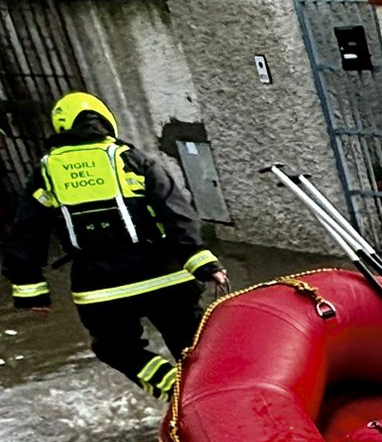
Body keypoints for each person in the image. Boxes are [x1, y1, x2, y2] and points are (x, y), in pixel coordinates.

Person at [4, 91, 228, 398]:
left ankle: (171, 386)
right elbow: (175, 211)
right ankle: (213, 401)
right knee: (192, 346)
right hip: (165, 276)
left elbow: (27, 231)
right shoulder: (132, 159)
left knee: (116, 349)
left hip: (101, 289)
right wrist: (202, 262)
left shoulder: (46, 172)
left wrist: (29, 287)